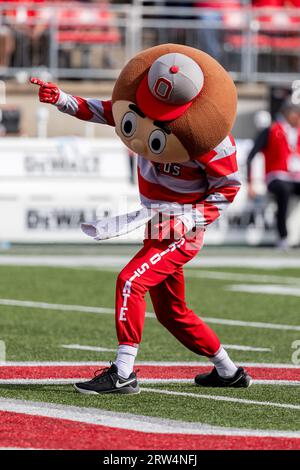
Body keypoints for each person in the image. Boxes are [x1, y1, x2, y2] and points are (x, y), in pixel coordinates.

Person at [31, 43, 252, 394]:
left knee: (130, 281)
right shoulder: (140, 104)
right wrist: (61, 98)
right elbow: (105, 111)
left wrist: (189, 221)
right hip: (154, 222)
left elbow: (227, 189)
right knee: (172, 313)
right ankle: (229, 371)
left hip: (181, 227)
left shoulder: (209, 135)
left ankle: (123, 373)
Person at [247, 100, 300, 249]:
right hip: (276, 177)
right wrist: (251, 182)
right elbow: (251, 155)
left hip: (295, 176)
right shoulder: (272, 130)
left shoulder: (298, 132)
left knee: (289, 188)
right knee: (284, 190)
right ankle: (283, 237)